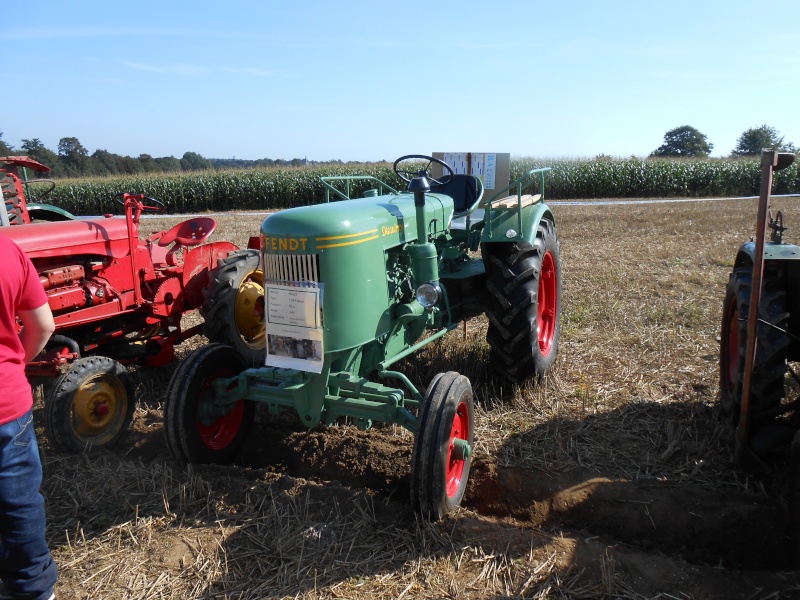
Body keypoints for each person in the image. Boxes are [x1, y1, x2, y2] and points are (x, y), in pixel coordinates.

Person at [0, 234, 57, 600]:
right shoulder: (8, 251)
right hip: (6, 403)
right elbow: (44, 327)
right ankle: (33, 590)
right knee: (18, 502)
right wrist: (14, 362)